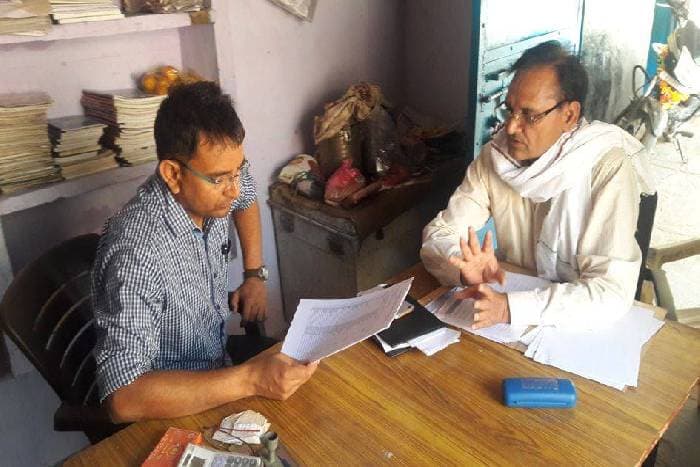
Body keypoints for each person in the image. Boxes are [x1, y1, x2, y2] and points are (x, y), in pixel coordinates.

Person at [92, 81, 317, 423]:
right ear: (172, 174)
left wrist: (254, 274)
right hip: (171, 408)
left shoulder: (213, 193)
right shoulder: (137, 253)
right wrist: (250, 378)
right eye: (219, 179)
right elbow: (123, 398)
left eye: (237, 171)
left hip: (218, 361)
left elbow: (245, 198)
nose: (234, 189)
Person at [421, 41, 654, 331]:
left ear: (569, 115)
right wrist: (463, 270)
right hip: (508, 320)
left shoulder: (606, 166)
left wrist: (511, 308)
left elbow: (611, 292)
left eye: (530, 115)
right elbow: (439, 234)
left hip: (576, 324)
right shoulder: (497, 158)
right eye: (510, 111)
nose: (511, 127)